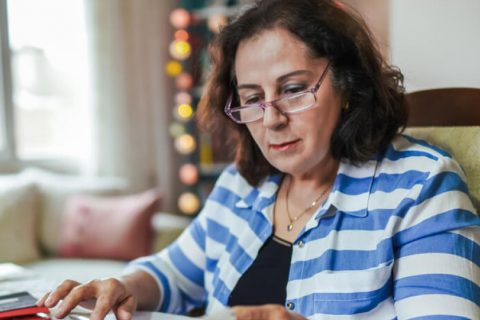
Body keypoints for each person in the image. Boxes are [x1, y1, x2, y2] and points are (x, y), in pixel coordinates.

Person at [37, 0, 480, 319]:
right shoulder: (242, 184)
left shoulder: (422, 186)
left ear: (347, 86)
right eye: (252, 98)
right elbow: (177, 269)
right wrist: (125, 286)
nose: (271, 119)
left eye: (292, 89)